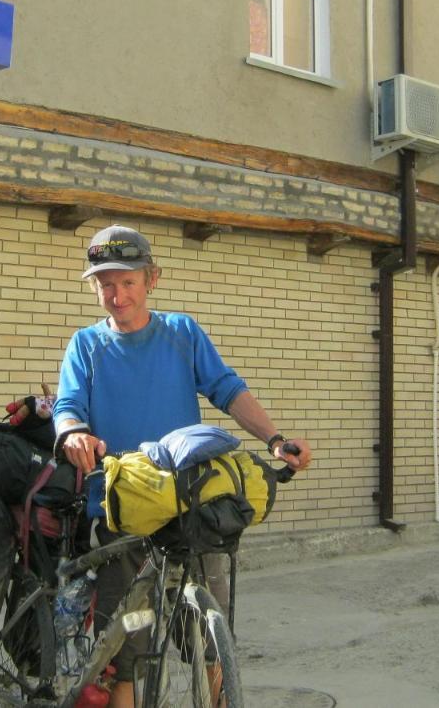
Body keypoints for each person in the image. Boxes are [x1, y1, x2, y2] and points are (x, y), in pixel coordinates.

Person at [53, 224, 312, 707]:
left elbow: (227, 389)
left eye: (127, 281)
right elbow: (68, 403)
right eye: (105, 283)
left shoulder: (181, 332)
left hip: (188, 502)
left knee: (211, 643)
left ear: (152, 279)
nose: (116, 295)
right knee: (125, 649)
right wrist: (71, 432)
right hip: (122, 507)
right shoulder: (86, 345)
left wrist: (274, 440)